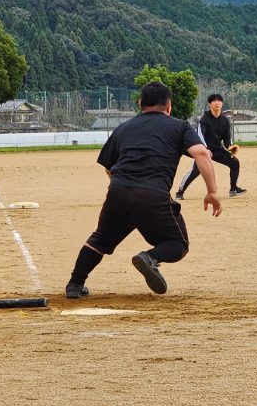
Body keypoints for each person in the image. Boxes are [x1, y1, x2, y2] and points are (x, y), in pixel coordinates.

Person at [65, 81, 222, 299]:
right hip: (152, 195)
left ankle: (74, 285)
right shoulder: (178, 126)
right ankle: (150, 257)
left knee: (99, 240)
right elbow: (202, 154)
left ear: (140, 104)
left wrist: (123, 187)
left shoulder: (123, 128)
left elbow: (109, 167)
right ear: (169, 106)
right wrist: (212, 191)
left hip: (119, 191)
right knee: (177, 245)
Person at [175, 93, 246, 199]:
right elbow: (199, 136)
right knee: (196, 171)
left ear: (222, 103)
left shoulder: (225, 121)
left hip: (217, 150)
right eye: (214, 101)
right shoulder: (205, 119)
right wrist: (205, 149)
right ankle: (180, 192)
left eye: (219, 101)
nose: (217, 103)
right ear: (210, 104)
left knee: (234, 162)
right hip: (204, 150)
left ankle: (233, 189)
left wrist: (230, 147)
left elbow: (227, 138)